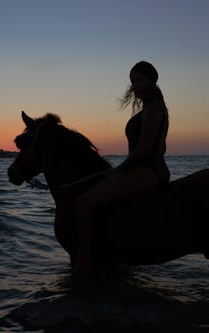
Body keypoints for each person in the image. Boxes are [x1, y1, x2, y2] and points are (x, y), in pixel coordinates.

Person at [75, 60, 170, 272]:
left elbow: (145, 149)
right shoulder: (154, 109)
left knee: (84, 202)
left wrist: (120, 169)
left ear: (152, 81)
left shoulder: (154, 109)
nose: (136, 85)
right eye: (132, 81)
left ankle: (83, 262)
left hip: (148, 171)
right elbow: (162, 147)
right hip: (146, 168)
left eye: (140, 80)